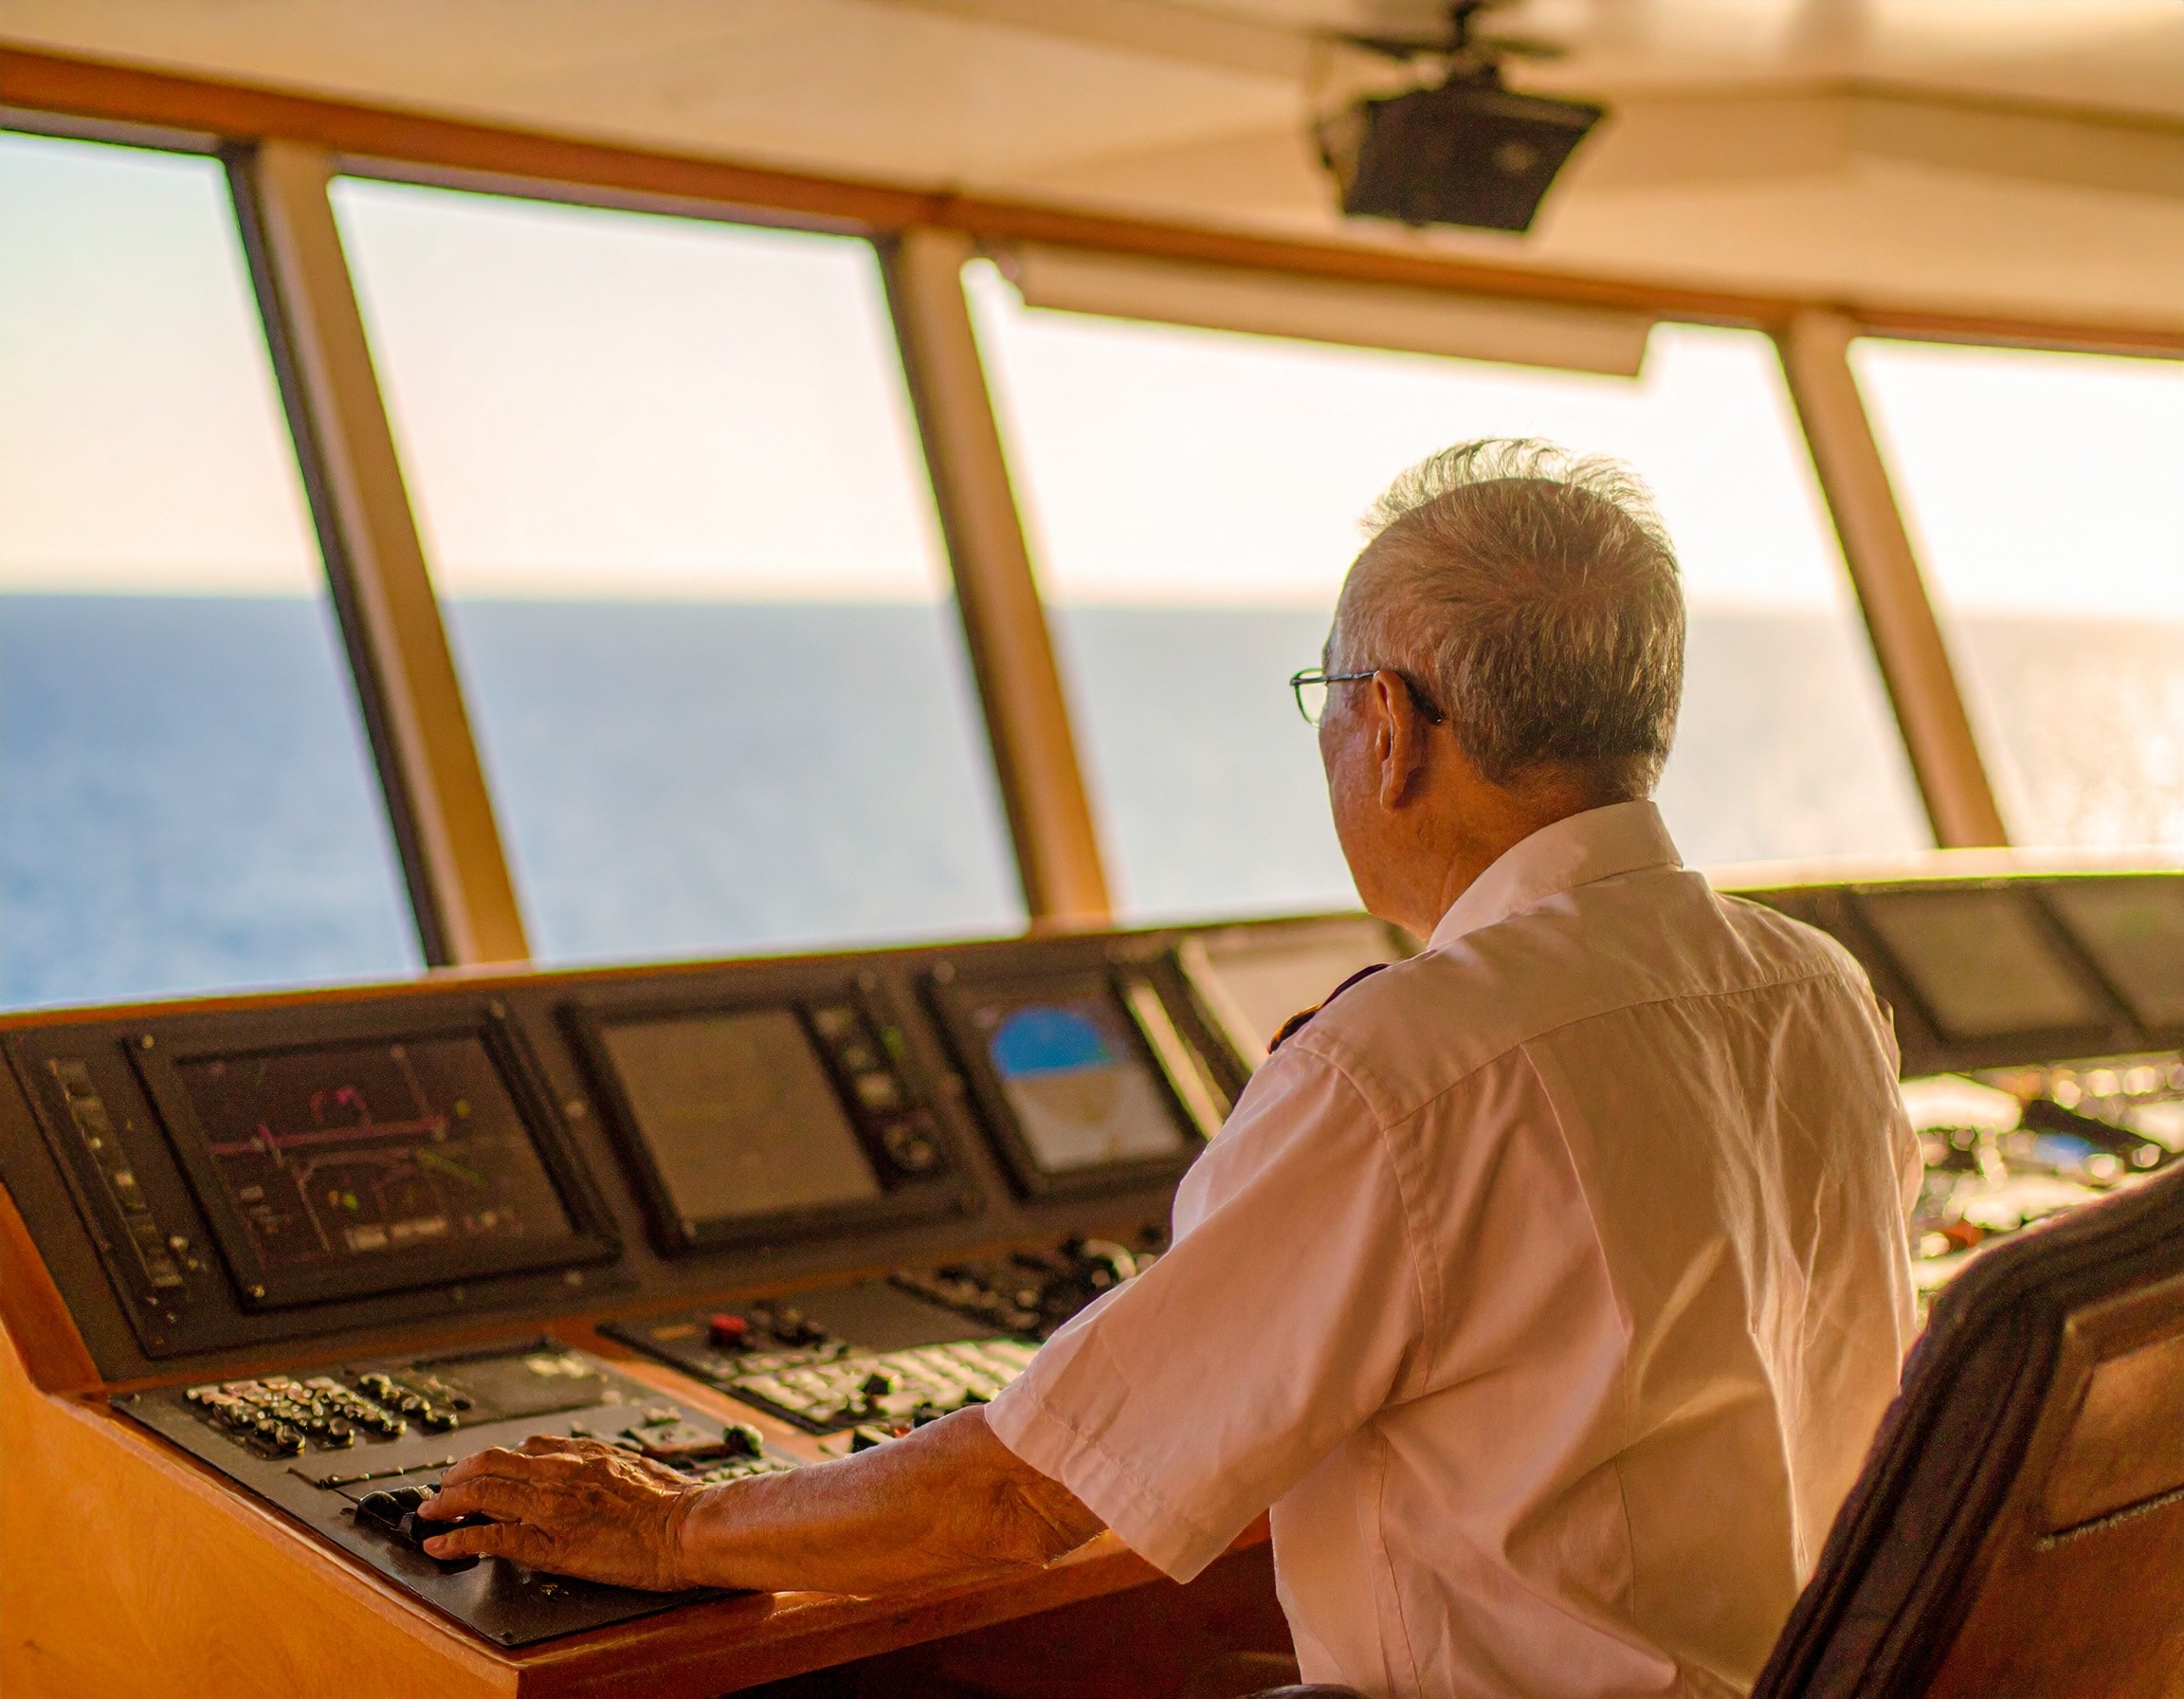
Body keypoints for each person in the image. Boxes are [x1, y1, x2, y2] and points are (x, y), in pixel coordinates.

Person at [419, 440, 1922, 1698]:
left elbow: (1019, 1498)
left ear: (1389, 730)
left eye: (1328, 696)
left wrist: (670, 1529)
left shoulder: (1407, 1068)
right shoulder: (1820, 991)